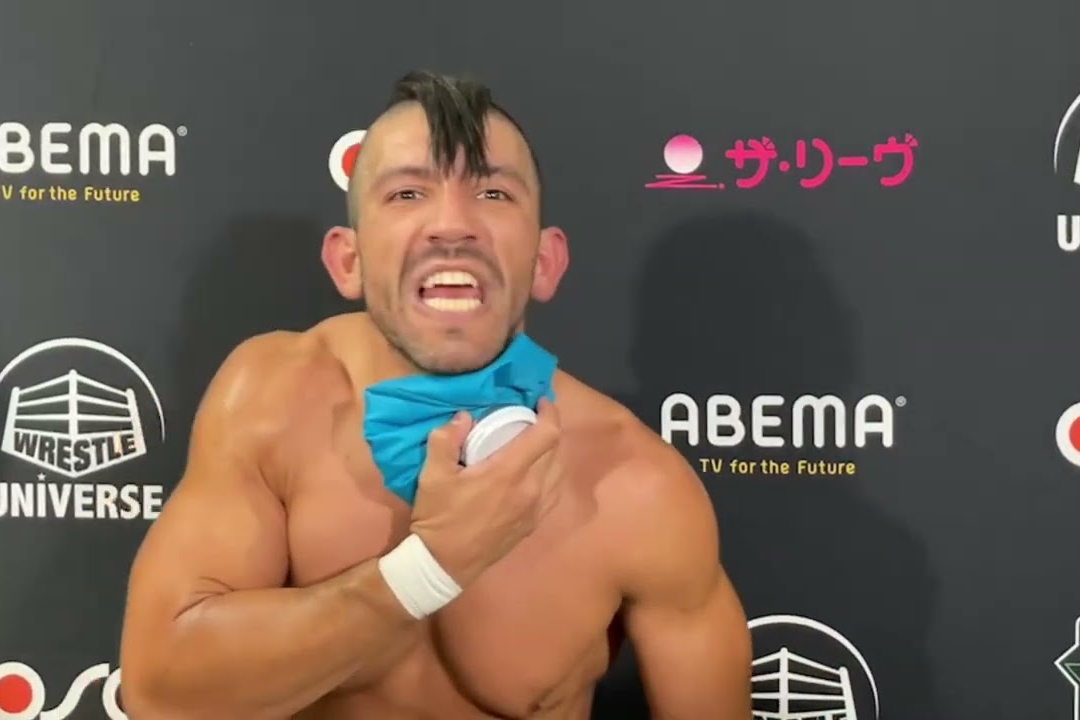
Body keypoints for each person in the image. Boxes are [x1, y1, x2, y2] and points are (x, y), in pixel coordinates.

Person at [118, 70, 752, 720]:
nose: (452, 225)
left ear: (545, 262)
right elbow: (161, 694)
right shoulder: (271, 399)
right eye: (408, 193)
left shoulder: (634, 485)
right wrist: (429, 567)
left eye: (493, 193)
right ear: (348, 261)